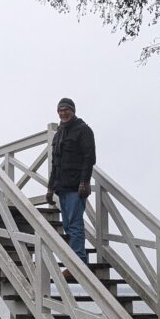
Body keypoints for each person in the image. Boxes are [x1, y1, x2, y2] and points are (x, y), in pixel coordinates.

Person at [45, 98, 96, 273]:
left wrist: (84, 181)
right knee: (67, 225)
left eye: (66, 109)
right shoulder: (58, 134)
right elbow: (55, 163)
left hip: (76, 186)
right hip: (62, 187)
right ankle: (77, 261)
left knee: (74, 225)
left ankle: (79, 263)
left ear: (73, 111)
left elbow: (90, 158)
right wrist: (50, 187)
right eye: (60, 110)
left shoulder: (83, 130)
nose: (63, 113)